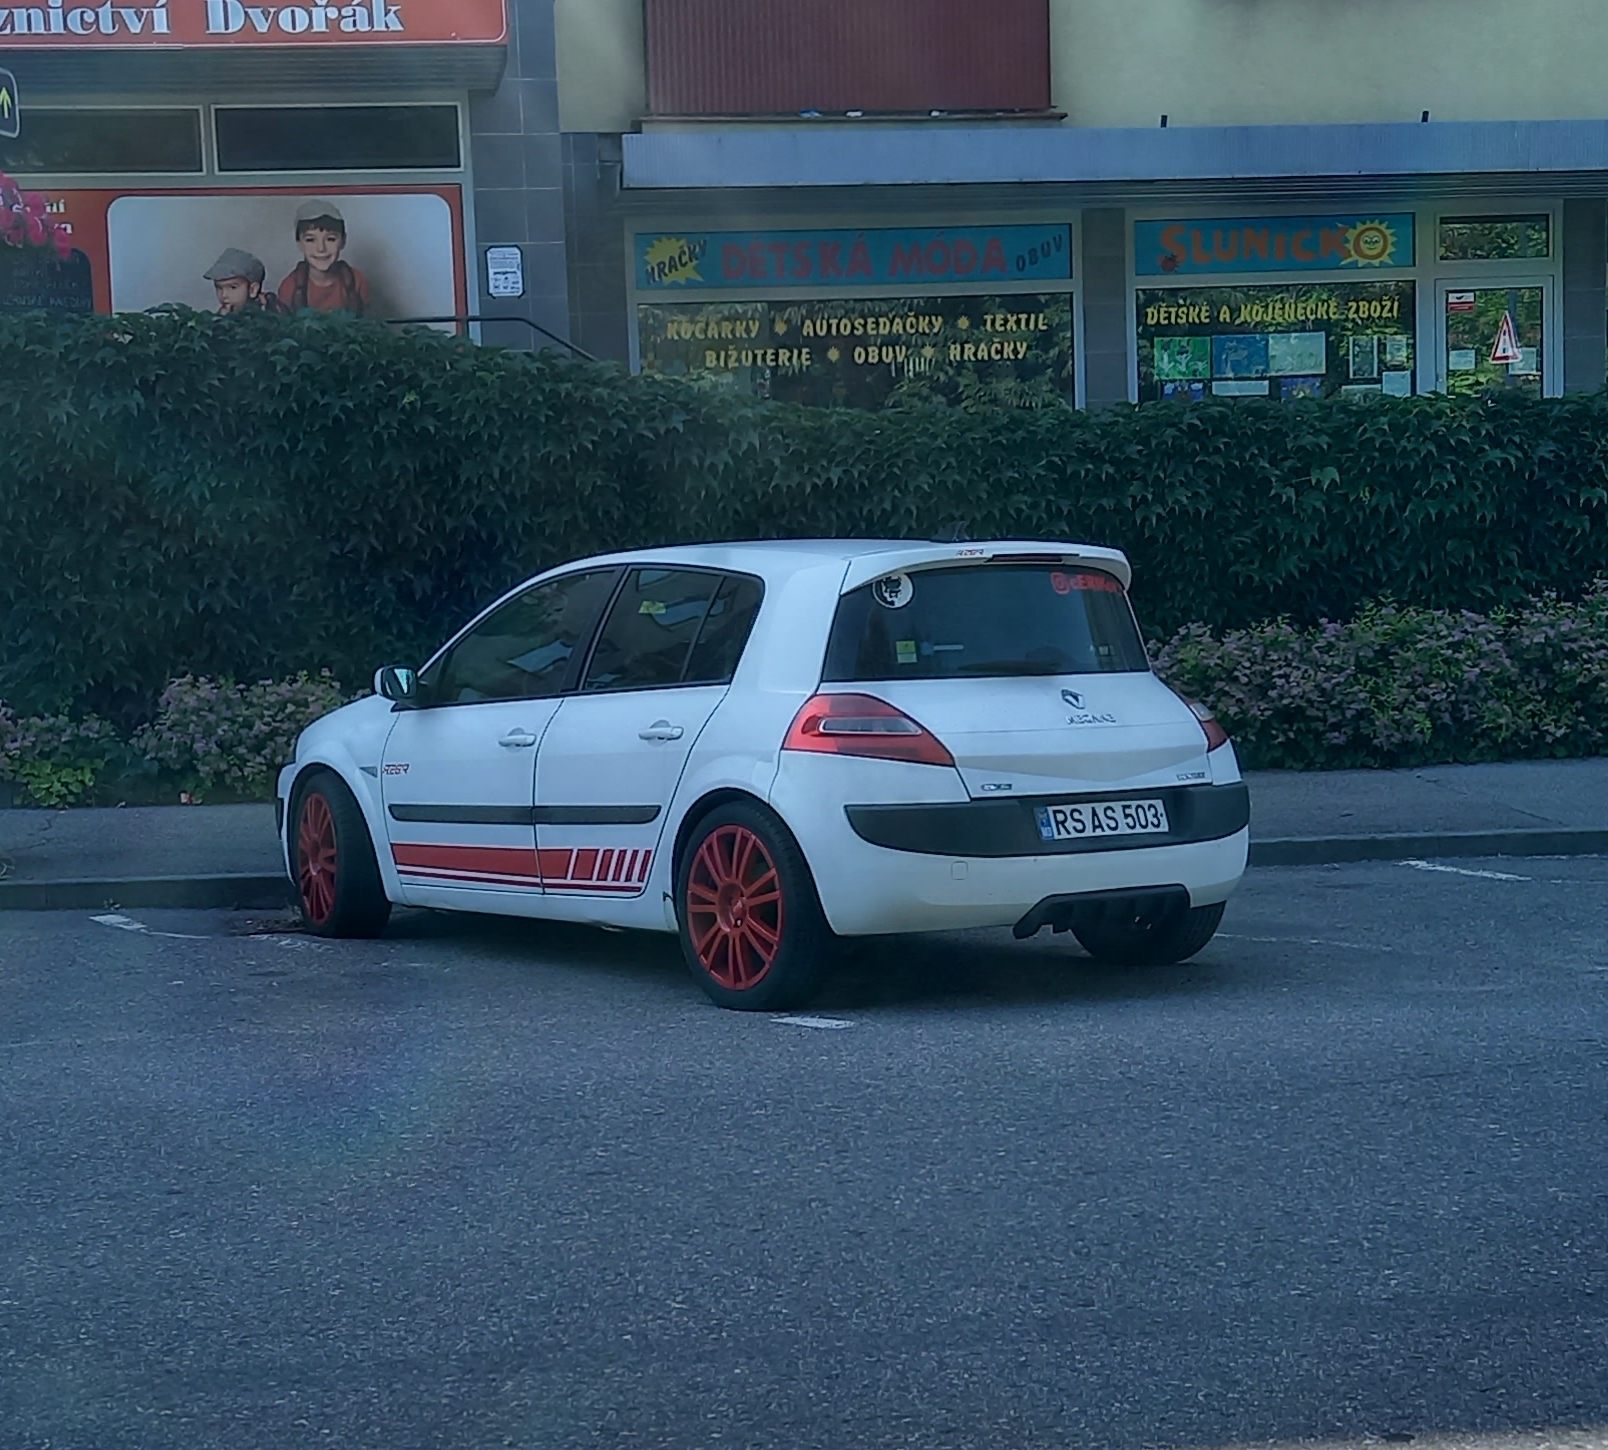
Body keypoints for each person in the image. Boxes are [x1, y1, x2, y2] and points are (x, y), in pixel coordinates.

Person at [277, 200, 370, 317]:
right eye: (310, 240)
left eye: (330, 239)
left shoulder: (357, 281)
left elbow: (366, 325)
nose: (321, 248)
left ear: (343, 241)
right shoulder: (290, 286)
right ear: (300, 243)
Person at [203, 248, 287, 315]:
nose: (224, 295)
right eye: (219, 287)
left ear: (253, 290)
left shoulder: (267, 316)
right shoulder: (222, 315)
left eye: (233, 287)